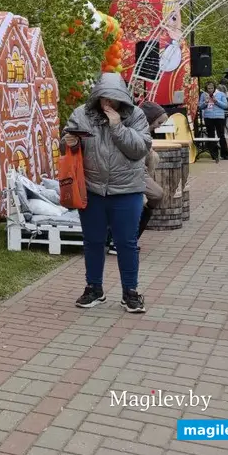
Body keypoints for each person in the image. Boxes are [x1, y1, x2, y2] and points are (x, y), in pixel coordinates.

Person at [63, 73, 152, 313]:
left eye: (113, 99)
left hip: (127, 190)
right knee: (93, 241)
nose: (107, 103)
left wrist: (117, 127)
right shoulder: (82, 114)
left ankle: (130, 292)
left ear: (122, 98)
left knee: (126, 242)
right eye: (103, 98)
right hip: (92, 189)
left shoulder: (136, 115)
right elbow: (66, 143)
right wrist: (70, 142)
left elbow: (140, 149)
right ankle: (94, 288)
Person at [107, 101, 165, 255]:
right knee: (147, 198)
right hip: (127, 172)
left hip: (135, 172)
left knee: (151, 198)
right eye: (158, 122)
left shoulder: (141, 131)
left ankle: (127, 239)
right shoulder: (130, 129)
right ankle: (120, 241)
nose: (159, 126)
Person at [199, 81, 228, 160]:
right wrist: (205, 102)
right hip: (208, 117)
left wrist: (216, 101)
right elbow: (200, 106)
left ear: (214, 88)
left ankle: (225, 154)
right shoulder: (204, 95)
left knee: (221, 135)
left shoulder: (221, 94)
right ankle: (214, 154)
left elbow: (225, 105)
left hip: (219, 117)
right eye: (208, 88)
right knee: (211, 135)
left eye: (211, 88)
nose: (210, 90)